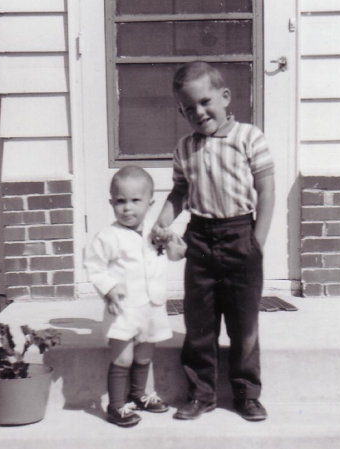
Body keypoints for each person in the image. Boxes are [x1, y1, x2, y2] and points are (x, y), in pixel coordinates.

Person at [152, 61, 275, 421]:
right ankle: (201, 393)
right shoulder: (184, 148)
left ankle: (246, 393)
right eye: (189, 108)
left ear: (225, 97)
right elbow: (179, 191)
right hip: (200, 239)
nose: (199, 112)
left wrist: (257, 241)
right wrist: (161, 221)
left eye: (205, 102)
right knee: (199, 324)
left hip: (241, 235)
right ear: (180, 111)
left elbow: (266, 189)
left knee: (244, 324)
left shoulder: (249, 137)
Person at [84, 165, 185, 427]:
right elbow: (94, 266)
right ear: (111, 203)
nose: (127, 208)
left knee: (144, 356)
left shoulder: (156, 231)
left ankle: (138, 395)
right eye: (120, 201)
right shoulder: (108, 236)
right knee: (123, 357)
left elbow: (174, 255)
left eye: (135, 201)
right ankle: (116, 405)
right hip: (124, 309)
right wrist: (108, 287)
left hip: (152, 307)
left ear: (150, 203)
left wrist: (172, 244)